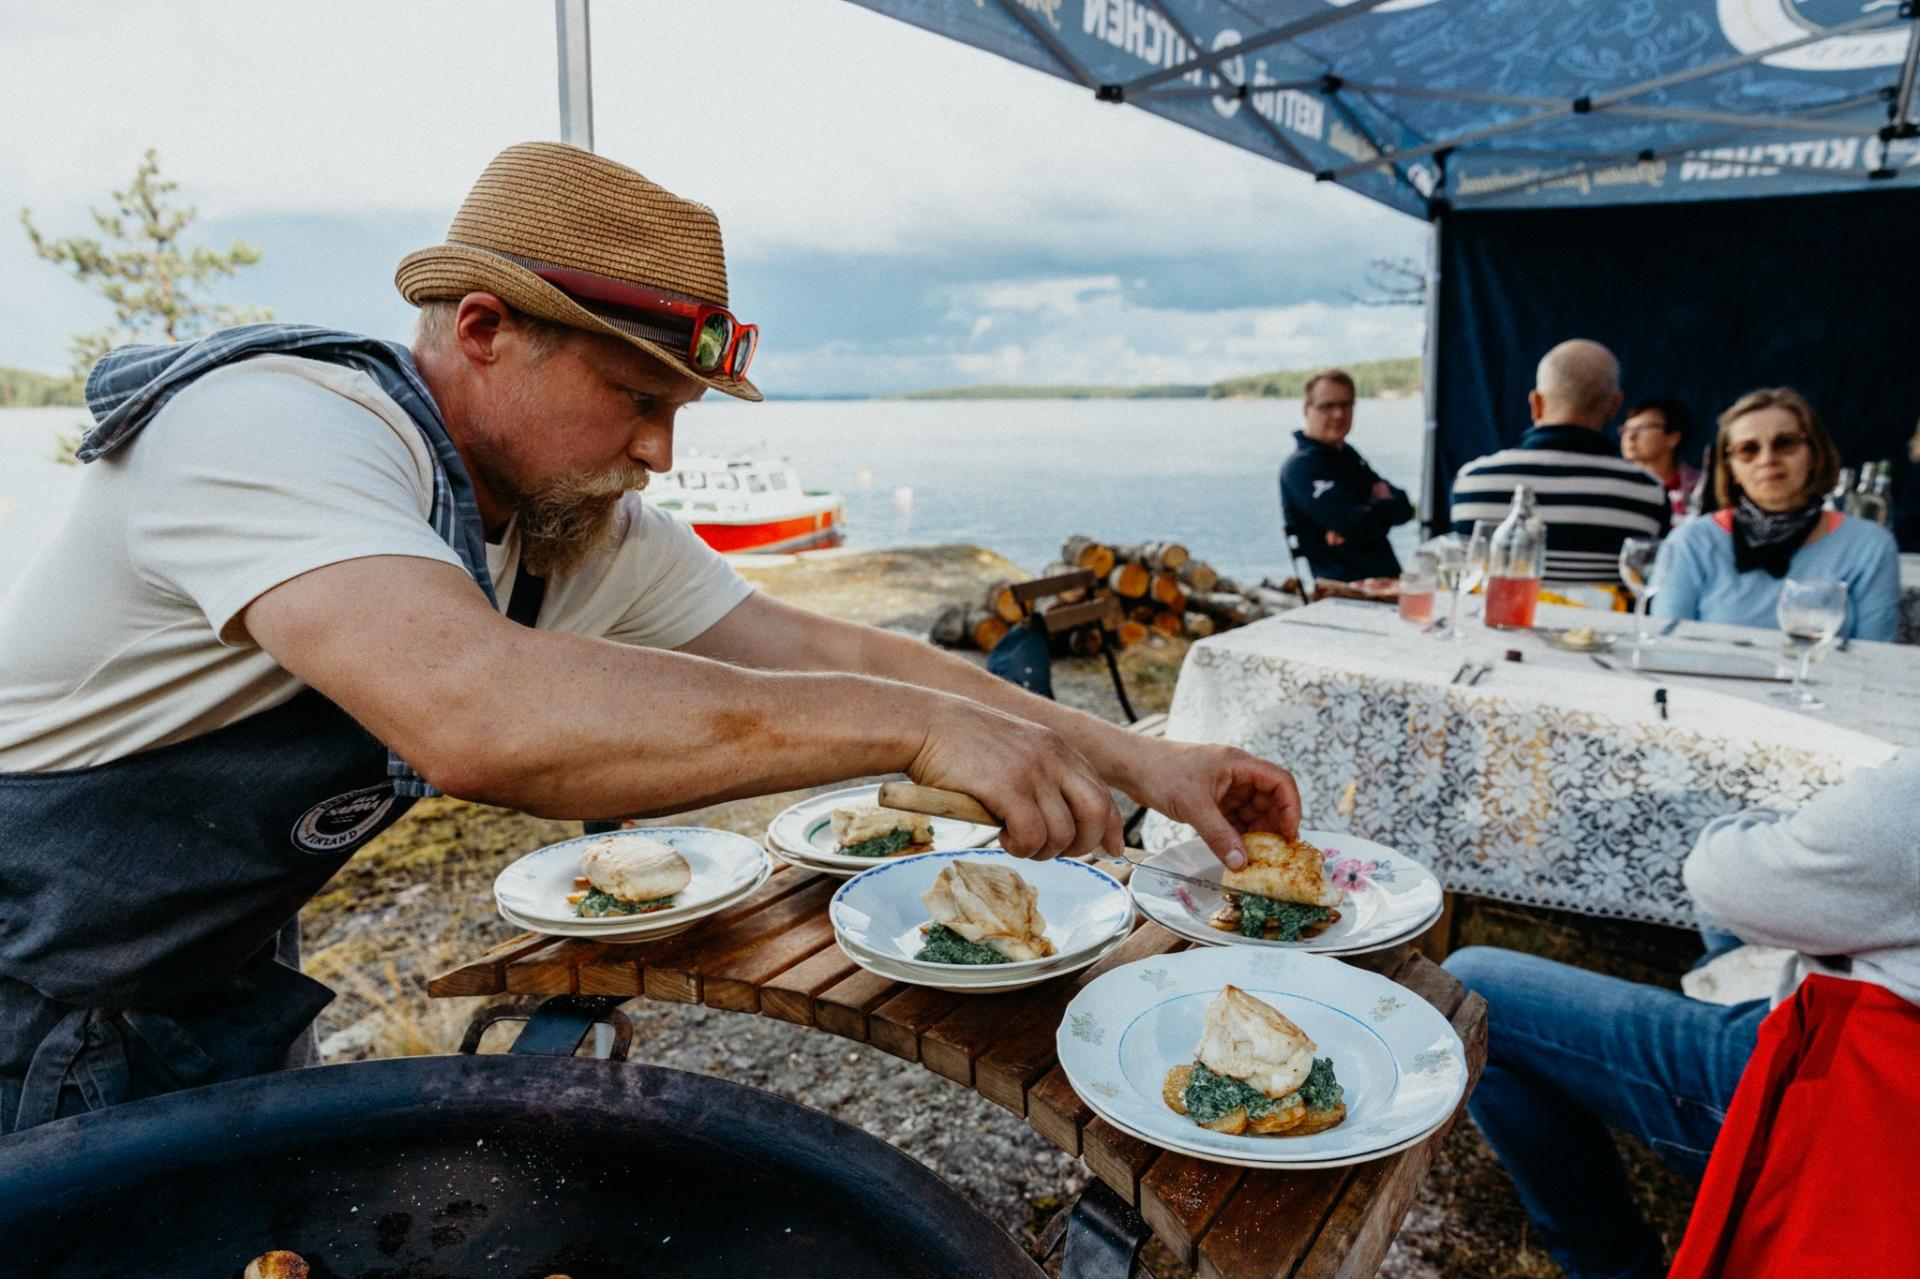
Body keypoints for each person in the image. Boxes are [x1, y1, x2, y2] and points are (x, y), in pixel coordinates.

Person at [0, 142, 1301, 1132]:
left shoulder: (558, 522)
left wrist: (1146, 760)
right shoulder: (289, 428)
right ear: (482, 328)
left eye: (679, 409)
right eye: (635, 396)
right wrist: (916, 732)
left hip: (208, 974)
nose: (659, 452)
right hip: (27, 988)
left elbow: (820, 653)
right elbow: (477, 712)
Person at [1446, 750, 1920, 1279]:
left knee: (1472, 990)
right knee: (1721, 857)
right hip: (1874, 1023)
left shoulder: (1909, 799)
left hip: (1850, 1097)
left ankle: (1610, 1270)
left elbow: (1720, 875)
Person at [1651, 387, 1899, 642]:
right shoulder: (1690, 542)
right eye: (1748, 449)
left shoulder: (1870, 546)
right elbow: (1664, 643)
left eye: (1785, 443)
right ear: (1731, 467)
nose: (1767, 459)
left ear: (1814, 452)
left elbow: (1875, 654)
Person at [1449, 339, 1668, 587]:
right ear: (1615, 405)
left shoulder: (1473, 480)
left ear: (1536, 403)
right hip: (1597, 626)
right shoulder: (1648, 493)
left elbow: (1462, 583)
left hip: (1494, 624)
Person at [1277, 368, 1413, 581]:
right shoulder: (1300, 468)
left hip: (1388, 584)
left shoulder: (1348, 456)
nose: (1338, 414)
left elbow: (1404, 508)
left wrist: (1365, 514)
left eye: (1345, 405)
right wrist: (1373, 507)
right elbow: (1355, 523)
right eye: (1327, 406)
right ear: (1307, 410)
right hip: (1344, 594)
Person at [1617, 396, 1702, 519]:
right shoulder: (1615, 486)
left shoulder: (1699, 489)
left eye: (1643, 429)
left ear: (1673, 438)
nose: (1630, 436)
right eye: (1626, 429)